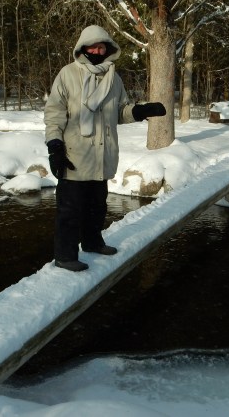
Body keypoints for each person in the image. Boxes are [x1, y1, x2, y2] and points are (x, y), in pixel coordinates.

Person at [44, 24, 166, 272]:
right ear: (83, 48)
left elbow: (120, 111)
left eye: (102, 46)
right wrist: (55, 146)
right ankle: (65, 255)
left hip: (102, 156)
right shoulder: (68, 75)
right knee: (70, 210)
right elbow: (54, 113)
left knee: (97, 206)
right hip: (74, 156)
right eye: (93, 46)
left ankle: (92, 242)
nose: (98, 51)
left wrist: (140, 111)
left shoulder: (114, 78)